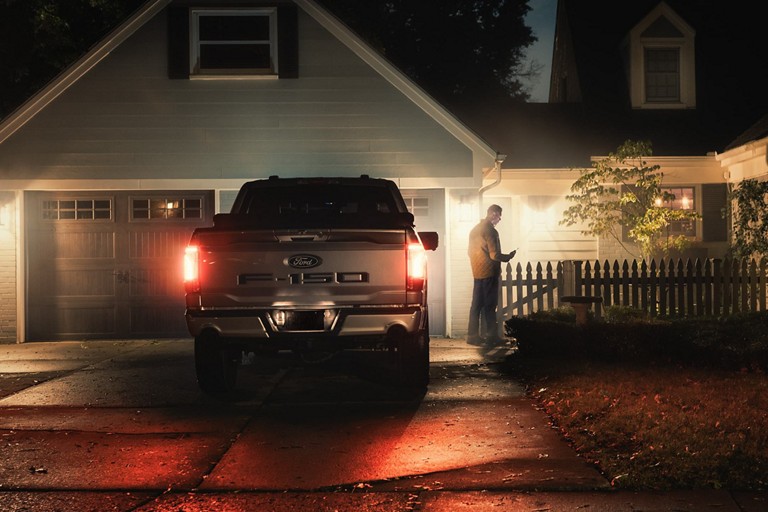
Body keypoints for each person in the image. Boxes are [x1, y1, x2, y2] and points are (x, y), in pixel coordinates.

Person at [467, 204, 516, 345]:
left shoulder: (474, 230)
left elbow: (469, 252)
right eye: (499, 216)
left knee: (476, 306)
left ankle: (472, 336)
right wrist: (507, 257)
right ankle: (492, 337)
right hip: (490, 273)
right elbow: (494, 255)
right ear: (493, 214)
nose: (499, 219)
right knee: (490, 305)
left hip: (477, 273)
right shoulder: (491, 231)